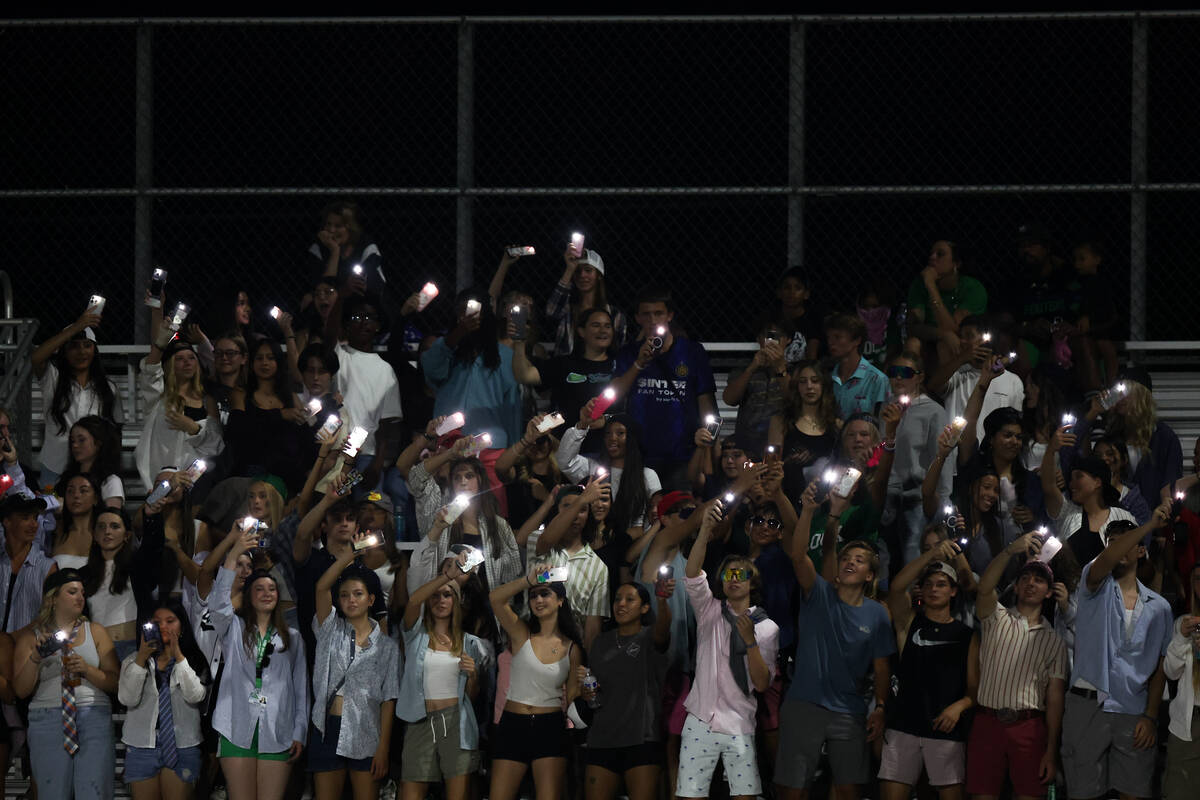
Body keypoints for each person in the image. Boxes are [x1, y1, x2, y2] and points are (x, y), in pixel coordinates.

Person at [775, 478, 894, 800]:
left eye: (859, 559)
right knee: (793, 790)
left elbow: (882, 667)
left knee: (847, 790)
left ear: (870, 575)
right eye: (846, 557)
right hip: (804, 704)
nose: (850, 561)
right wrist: (809, 511)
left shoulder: (878, 613)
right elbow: (799, 555)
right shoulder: (819, 593)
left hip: (849, 711)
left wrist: (880, 707)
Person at [1061, 509, 1174, 800]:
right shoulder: (1093, 584)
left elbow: (1162, 664)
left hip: (1132, 710)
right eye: (1110, 542)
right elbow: (1108, 560)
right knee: (1083, 793)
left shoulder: (1159, 606)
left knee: (1133, 791)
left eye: (1123, 542)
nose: (1116, 548)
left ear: (1140, 550)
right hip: (1087, 704)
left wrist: (1150, 715)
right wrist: (1149, 524)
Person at [677, 504, 779, 800]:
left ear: (752, 582)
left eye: (741, 574)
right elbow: (693, 574)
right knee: (689, 796)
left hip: (739, 721)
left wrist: (749, 641)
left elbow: (761, 684)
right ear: (722, 580)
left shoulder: (767, 628)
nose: (734, 578)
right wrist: (705, 532)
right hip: (701, 718)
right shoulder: (710, 611)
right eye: (729, 574)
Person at [209, 532, 308, 800]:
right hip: (236, 725)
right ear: (248, 596)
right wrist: (233, 553)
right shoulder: (233, 630)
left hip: (278, 728)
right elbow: (218, 605)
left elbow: (301, 690)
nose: (267, 594)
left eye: (272, 589)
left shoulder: (293, 638)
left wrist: (300, 731)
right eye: (259, 589)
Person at [967, 534, 1068, 800]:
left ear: (1049, 591)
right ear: (1017, 585)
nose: (1030, 583)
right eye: (1025, 578)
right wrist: (1011, 550)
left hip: (1029, 727)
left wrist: (1050, 749)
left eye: (1038, 580)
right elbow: (984, 588)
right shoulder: (996, 617)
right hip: (988, 721)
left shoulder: (1054, 641)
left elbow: (1055, 699)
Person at [881, 540, 978, 800]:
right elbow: (897, 587)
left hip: (945, 729)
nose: (934, 589)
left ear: (953, 591)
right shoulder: (909, 622)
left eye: (942, 584)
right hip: (904, 726)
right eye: (929, 584)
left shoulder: (967, 635)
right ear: (921, 590)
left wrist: (958, 707)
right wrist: (931, 554)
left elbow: (974, 688)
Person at [13, 569, 120, 800]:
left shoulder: (96, 631)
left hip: (93, 716)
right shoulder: (31, 637)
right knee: (52, 793)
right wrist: (35, 658)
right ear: (52, 598)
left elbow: (115, 683)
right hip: (47, 718)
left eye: (82, 592)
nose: (80, 597)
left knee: (95, 793)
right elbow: (20, 690)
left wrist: (87, 669)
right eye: (72, 592)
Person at [308, 539, 400, 800]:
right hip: (326, 726)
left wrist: (383, 748)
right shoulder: (329, 629)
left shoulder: (387, 646)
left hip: (366, 728)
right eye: (345, 595)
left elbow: (388, 699)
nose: (351, 600)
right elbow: (321, 586)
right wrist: (346, 557)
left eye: (358, 594)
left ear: (371, 599)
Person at [487, 567, 583, 800]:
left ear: (560, 600)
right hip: (512, 724)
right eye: (534, 595)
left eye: (545, 594)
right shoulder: (521, 634)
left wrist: (589, 693)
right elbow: (495, 598)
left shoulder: (572, 647)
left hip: (550, 726)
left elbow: (572, 698)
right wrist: (528, 580)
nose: (538, 599)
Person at [398, 558, 490, 800]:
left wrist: (472, 676)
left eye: (447, 595)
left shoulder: (469, 642)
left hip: (456, 721)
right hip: (420, 719)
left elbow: (472, 696)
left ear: (456, 602)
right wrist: (446, 576)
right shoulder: (415, 635)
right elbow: (414, 600)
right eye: (436, 596)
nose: (441, 600)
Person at [610, 286, 718, 489]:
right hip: (639, 456)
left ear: (670, 315)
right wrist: (639, 363)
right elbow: (614, 395)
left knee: (676, 516)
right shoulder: (628, 353)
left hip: (681, 455)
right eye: (646, 314)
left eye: (658, 313)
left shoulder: (692, 351)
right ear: (637, 318)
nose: (652, 321)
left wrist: (708, 451)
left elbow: (706, 402)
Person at [578, 581, 672, 800]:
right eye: (617, 599)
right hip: (602, 738)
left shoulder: (650, 637)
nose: (621, 604)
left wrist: (662, 600)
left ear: (645, 608)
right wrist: (587, 692)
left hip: (641, 739)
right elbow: (594, 690)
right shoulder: (601, 642)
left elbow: (663, 631)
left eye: (630, 599)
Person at [118, 601, 209, 799]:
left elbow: (195, 696)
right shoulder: (133, 660)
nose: (164, 627)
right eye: (157, 622)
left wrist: (179, 656)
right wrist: (142, 658)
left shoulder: (193, 660)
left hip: (183, 744)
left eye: (170, 621)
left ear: (182, 626)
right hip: (142, 745)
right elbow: (127, 699)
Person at [31, 312, 123, 491]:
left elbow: (116, 429)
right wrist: (77, 326)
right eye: (73, 346)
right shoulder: (53, 378)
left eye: (87, 346)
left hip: (94, 468)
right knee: (52, 516)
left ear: (94, 350)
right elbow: (36, 357)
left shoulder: (108, 388)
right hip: (55, 465)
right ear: (63, 351)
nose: (81, 352)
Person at [421, 289, 522, 450]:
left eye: (475, 312)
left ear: (486, 316)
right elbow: (431, 369)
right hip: (447, 443)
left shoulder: (505, 356)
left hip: (491, 445)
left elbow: (512, 408)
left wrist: (514, 451)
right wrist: (460, 331)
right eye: (461, 313)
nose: (466, 318)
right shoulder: (446, 349)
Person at [408, 456, 522, 594]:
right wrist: (451, 452)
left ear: (480, 480)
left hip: (485, 607)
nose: (463, 482)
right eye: (457, 477)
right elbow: (416, 478)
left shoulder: (498, 525)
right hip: (445, 601)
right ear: (452, 483)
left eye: (469, 476)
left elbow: (513, 574)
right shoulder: (440, 517)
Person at [513, 307, 617, 456]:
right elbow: (524, 375)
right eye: (596, 325)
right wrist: (519, 342)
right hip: (563, 448)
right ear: (581, 331)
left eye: (608, 326)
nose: (603, 330)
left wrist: (605, 420)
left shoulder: (619, 366)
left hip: (604, 450)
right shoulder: (564, 364)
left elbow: (623, 411)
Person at [884, 352, 952, 564]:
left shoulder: (933, 411)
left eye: (905, 373)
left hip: (916, 498)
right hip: (886, 496)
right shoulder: (884, 410)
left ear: (920, 377)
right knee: (883, 557)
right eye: (893, 372)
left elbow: (943, 457)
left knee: (913, 558)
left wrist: (943, 500)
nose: (898, 378)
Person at [527, 482, 612, 648]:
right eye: (568, 507)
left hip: (570, 652)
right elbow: (546, 540)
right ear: (556, 510)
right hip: (531, 643)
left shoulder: (599, 568)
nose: (575, 515)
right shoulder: (537, 539)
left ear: (588, 515)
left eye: (582, 510)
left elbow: (592, 628)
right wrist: (581, 501)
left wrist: (585, 666)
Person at [135, 336, 223, 493]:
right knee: (156, 506)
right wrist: (160, 338)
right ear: (170, 365)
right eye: (180, 359)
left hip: (198, 480)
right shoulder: (158, 397)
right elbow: (150, 373)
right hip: (164, 479)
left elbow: (215, 445)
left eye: (191, 358)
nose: (187, 362)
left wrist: (194, 428)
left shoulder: (207, 400)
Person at [223, 338, 311, 494]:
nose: (265, 363)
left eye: (270, 358)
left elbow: (305, 434)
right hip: (253, 473)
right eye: (259, 358)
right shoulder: (241, 394)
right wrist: (279, 415)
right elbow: (237, 431)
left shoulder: (290, 397)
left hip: (288, 475)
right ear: (251, 363)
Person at [558, 408, 660, 539]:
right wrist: (582, 426)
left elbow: (653, 518)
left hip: (634, 546)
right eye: (607, 433)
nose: (612, 438)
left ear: (632, 438)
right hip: (594, 543)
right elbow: (564, 461)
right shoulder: (593, 468)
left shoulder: (647, 475)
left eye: (620, 433)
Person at [1043, 423, 1136, 567]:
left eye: (1078, 477)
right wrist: (1051, 450)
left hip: (1110, 589)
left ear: (1097, 482)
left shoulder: (1124, 518)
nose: (1072, 484)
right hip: (1070, 589)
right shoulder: (1068, 512)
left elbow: (1137, 561)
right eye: (1071, 478)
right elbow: (1049, 486)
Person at [332, 295, 404, 475]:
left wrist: (378, 463)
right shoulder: (338, 354)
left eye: (369, 317)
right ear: (346, 325)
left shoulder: (385, 370)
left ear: (378, 326)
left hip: (367, 457)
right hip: (335, 452)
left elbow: (386, 422)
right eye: (356, 318)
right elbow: (329, 331)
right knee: (333, 499)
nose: (363, 323)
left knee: (370, 501)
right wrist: (344, 292)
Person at [83, 506, 164, 661]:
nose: (107, 531)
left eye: (115, 526)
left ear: (127, 535)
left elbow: (154, 547)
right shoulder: (83, 574)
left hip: (134, 648)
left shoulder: (138, 565)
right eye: (101, 526)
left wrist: (152, 516)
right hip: (99, 652)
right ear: (94, 535)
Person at [928, 316, 1024, 445]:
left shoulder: (1013, 380)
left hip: (995, 457)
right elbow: (932, 385)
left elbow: (1016, 423)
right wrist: (962, 358)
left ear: (986, 340)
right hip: (957, 455)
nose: (962, 341)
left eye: (968, 336)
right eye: (961, 336)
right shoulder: (956, 375)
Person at [767, 359, 840, 499]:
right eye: (803, 381)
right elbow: (771, 467)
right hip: (788, 498)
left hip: (824, 501)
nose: (809, 386)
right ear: (796, 386)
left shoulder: (836, 425)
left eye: (815, 380)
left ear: (824, 385)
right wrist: (789, 461)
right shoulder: (780, 421)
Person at [904, 240, 988, 359]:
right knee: (913, 344)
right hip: (930, 340)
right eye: (931, 253)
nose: (932, 257)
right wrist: (941, 334)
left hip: (961, 344)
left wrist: (931, 286)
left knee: (944, 346)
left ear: (956, 263)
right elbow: (913, 328)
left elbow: (955, 330)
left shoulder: (972, 288)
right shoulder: (919, 285)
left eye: (940, 254)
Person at [545, 244, 629, 357]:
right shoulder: (568, 310)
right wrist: (569, 269)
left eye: (588, 270)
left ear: (599, 275)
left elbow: (619, 352)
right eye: (577, 271)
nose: (582, 275)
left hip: (601, 372)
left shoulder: (615, 315)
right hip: (568, 371)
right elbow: (552, 311)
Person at [724, 321, 790, 460]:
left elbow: (795, 400)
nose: (771, 342)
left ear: (787, 340)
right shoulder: (744, 368)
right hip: (747, 445)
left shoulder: (794, 371)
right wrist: (752, 368)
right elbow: (729, 399)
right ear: (759, 339)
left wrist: (780, 369)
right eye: (767, 336)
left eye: (777, 336)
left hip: (781, 444)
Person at [1163, 562, 1200, 800]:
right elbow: (1170, 672)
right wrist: (1182, 638)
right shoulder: (1184, 623)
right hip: (1189, 722)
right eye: (1197, 578)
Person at [0, 493, 57, 633]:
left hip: (28, 650)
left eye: (35, 518)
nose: (34, 524)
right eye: (25, 518)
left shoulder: (47, 567)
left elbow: (50, 617)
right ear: (7, 522)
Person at [309, 200, 384, 294]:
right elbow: (324, 292)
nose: (331, 230)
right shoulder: (319, 248)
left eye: (338, 226)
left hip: (363, 300)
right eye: (328, 224)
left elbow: (370, 288)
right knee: (307, 299)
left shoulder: (366, 246)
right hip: (332, 302)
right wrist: (335, 251)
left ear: (350, 228)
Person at [825, 313, 890, 419]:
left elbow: (883, 423)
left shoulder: (877, 380)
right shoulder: (827, 377)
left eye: (837, 337)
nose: (831, 342)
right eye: (829, 337)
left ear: (857, 340)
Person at [58, 416, 125, 507]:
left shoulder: (110, 481)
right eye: (72, 440)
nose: (75, 445)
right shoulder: (67, 477)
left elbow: (112, 517)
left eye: (81, 440)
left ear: (98, 443)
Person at [767, 266, 825, 364]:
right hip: (779, 374)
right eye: (786, 287)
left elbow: (812, 360)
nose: (791, 292)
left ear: (806, 294)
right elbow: (771, 360)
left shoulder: (813, 320)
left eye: (797, 288)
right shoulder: (772, 319)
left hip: (803, 375)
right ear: (779, 293)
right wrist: (782, 376)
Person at [1093, 436, 1152, 525]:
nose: (1103, 458)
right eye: (1098, 455)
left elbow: (1142, 535)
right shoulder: (1086, 492)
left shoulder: (1136, 501)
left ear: (1124, 459)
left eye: (1110, 454)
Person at [51, 472, 101, 568]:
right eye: (70, 491)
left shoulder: (105, 532)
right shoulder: (53, 530)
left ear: (95, 498)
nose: (76, 495)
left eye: (83, 491)